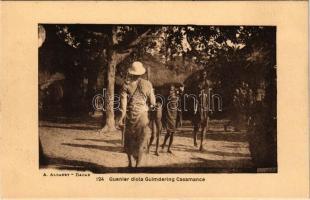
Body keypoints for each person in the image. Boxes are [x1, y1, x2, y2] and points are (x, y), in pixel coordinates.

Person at [118, 61, 156, 167]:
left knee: (129, 140)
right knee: (141, 141)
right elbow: (153, 102)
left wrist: (121, 118)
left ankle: (130, 163)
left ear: (131, 73)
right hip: (142, 116)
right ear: (141, 73)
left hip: (130, 116)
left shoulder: (126, 85)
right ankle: (138, 166)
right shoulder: (147, 84)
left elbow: (123, 105)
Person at [161, 85, 179, 153]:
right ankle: (164, 143)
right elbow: (164, 108)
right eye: (169, 90)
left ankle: (169, 148)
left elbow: (179, 108)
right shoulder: (166, 98)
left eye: (171, 90)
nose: (170, 91)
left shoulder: (177, 98)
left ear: (174, 90)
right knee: (169, 132)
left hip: (174, 117)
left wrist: (179, 118)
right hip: (168, 116)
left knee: (172, 133)